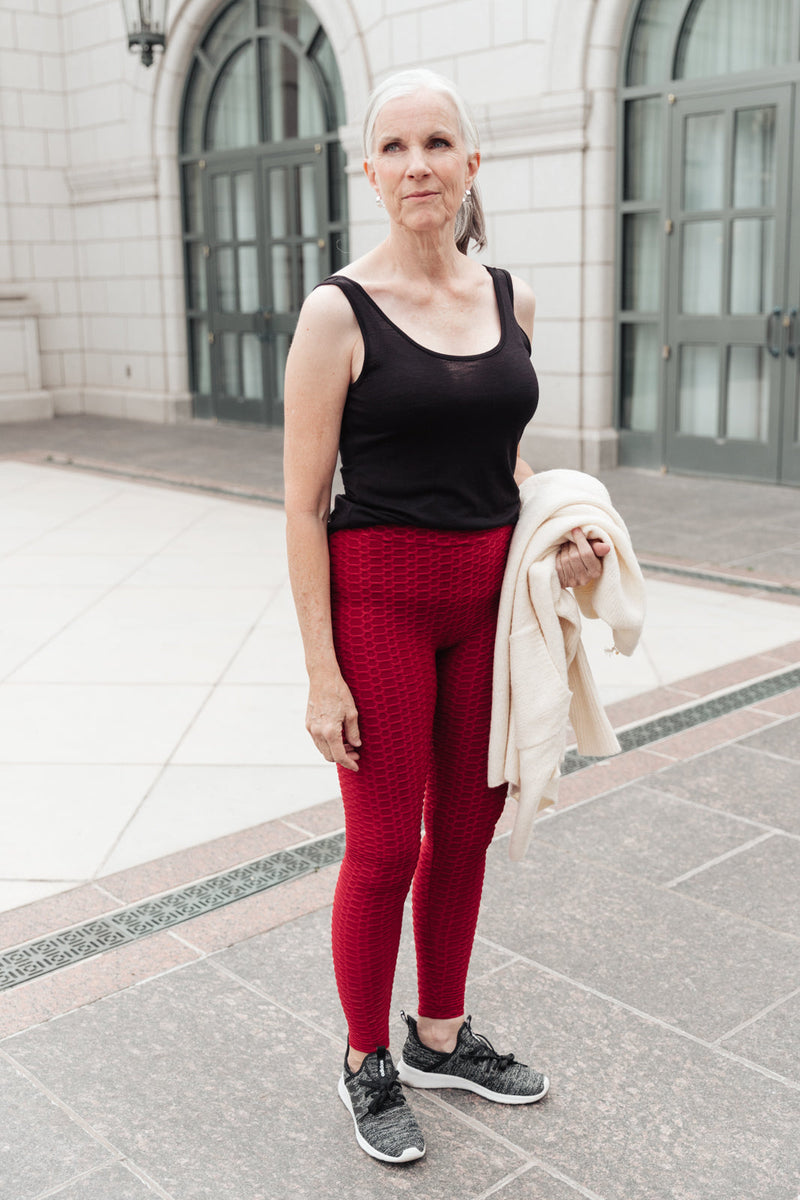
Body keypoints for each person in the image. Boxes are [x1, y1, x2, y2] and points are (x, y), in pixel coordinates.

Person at [283, 68, 608, 1164]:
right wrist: (322, 672)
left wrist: (557, 539)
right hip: (377, 597)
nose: (415, 164)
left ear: (471, 164)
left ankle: (437, 1034)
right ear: (367, 172)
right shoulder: (336, 311)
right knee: (381, 846)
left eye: (436, 144)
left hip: (487, 606)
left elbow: (496, 456)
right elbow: (298, 502)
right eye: (394, 148)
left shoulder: (509, 296)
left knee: (463, 834)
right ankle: (363, 1056)